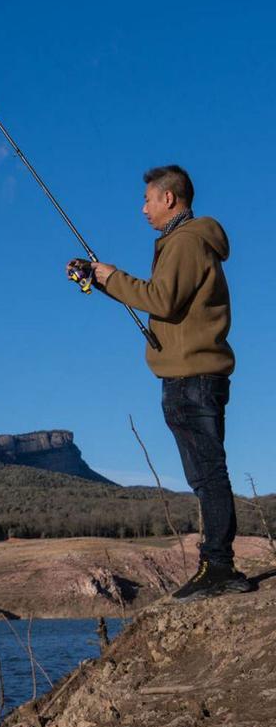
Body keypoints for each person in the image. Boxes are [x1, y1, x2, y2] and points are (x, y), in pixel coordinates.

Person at [91, 165, 252, 601]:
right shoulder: (191, 241)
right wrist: (103, 282)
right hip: (197, 375)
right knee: (207, 473)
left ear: (169, 198)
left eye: (147, 199)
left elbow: (161, 300)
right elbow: (165, 300)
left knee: (207, 475)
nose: (142, 208)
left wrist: (111, 277)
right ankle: (217, 564)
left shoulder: (185, 240)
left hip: (190, 379)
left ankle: (219, 567)